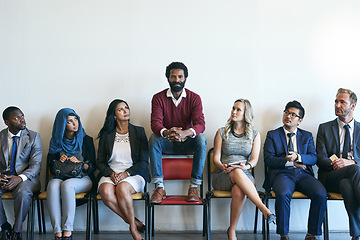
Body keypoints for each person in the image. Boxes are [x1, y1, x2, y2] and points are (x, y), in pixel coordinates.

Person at [212, 99, 276, 240]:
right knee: (236, 172)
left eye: (238, 109)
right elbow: (215, 158)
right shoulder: (221, 132)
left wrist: (246, 166)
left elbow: (254, 160)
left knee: (238, 190)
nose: (233, 111)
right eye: (233, 108)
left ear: (246, 113)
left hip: (244, 175)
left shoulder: (254, 134)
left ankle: (232, 231)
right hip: (223, 175)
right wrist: (222, 166)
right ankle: (263, 209)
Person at [263, 101, 327, 240]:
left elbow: (313, 158)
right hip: (282, 174)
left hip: (303, 174)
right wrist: (288, 162)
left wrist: (298, 157)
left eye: (293, 114)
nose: (288, 116)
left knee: (321, 193)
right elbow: (268, 160)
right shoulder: (272, 135)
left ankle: (312, 233)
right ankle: (284, 234)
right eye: (286, 112)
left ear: (300, 120)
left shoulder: (307, 136)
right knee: (284, 193)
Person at [149, 61, 207, 203]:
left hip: (187, 142)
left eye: (180, 77)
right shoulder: (158, 98)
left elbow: (201, 124)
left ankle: (194, 187)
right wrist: (167, 132)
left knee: (202, 138)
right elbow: (155, 123)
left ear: (185, 78)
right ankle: (159, 187)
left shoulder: (194, 98)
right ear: (168, 78)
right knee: (153, 138)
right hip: (167, 142)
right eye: (173, 77)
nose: (177, 80)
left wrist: (185, 133)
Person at [97, 99, 151, 240]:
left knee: (122, 188)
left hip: (134, 173)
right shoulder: (106, 134)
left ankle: (133, 228)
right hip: (111, 173)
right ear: (114, 115)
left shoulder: (139, 132)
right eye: (120, 109)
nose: (125, 111)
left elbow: (144, 161)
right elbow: (100, 161)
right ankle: (134, 222)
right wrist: (110, 173)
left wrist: (126, 173)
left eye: (126, 108)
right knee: (105, 192)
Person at [316, 88, 360, 240]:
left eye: (342, 102)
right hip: (330, 177)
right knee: (354, 169)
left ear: (352, 106)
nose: (337, 105)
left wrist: (350, 162)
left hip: (352, 179)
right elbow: (320, 158)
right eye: (336, 101)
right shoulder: (324, 128)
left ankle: (356, 235)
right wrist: (338, 163)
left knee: (346, 186)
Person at [47, 108, 95, 240]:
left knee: (67, 185)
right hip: (61, 176)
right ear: (62, 124)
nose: (75, 123)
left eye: (76, 119)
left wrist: (81, 162)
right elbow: (51, 167)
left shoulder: (86, 140)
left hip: (83, 178)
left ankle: (67, 230)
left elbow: (92, 166)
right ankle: (57, 231)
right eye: (69, 121)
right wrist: (59, 160)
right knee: (52, 185)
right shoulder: (56, 142)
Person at [0, 106, 42, 240]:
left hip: (27, 178)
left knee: (23, 192)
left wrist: (20, 178)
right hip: (4, 176)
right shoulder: (0, 137)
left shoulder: (34, 137)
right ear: (7, 122)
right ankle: (4, 225)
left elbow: (36, 165)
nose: (22, 120)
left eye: (22, 116)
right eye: (16, 118)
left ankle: (16, 231)